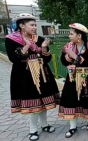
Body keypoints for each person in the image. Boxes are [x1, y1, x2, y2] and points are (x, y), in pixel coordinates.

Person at [4, 13, 59, 141]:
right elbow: (14, 58)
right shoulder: (11, 39)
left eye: (35, 25)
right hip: (25, 75)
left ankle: (45, 125)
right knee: (33, 102)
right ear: (22, 25)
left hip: (42, 73)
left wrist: (44, 48)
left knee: (44, 102)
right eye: (32, 25)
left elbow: (47, 58)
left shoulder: (39, 39)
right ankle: (33, 129)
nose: (34, 27)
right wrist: (27, 45)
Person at [58, 23, 88, 138]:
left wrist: (73, 56)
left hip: (86, 77)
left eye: (71, 34)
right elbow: (63, 61)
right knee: (71, 99)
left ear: (79, 36)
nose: (69, 36)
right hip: (72, 77)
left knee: (87, 98)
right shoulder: (68, 46)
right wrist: (66, 58)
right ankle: (72, 126)